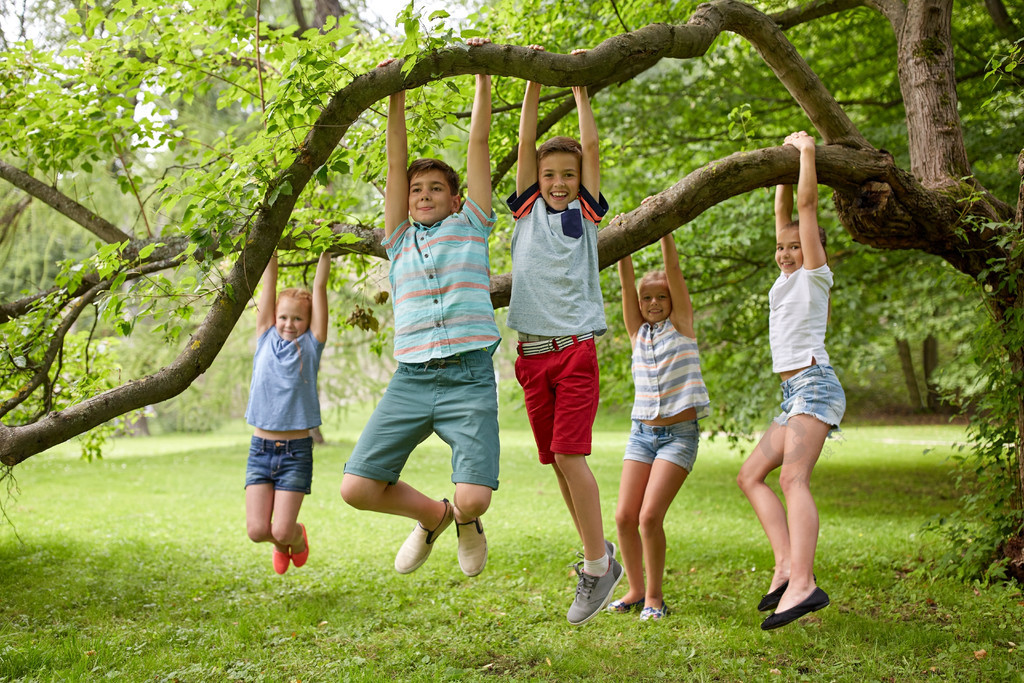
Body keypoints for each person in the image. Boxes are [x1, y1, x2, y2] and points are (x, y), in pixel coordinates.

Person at [340, 40, 500, 579]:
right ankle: (433, 516)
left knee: (475, 498)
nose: (425, 194)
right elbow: (394, 163)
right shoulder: (398, 240)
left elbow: (478, 140)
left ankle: (464, 518)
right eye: (416, 189)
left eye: (437, 188)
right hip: (410, 379)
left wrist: (483, 77)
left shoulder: (472, 225)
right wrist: (395, 95)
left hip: (469, 378)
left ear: (457, 199)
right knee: (356, 488)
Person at [506, 45, 621, 626]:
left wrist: (578, 89)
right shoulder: (527, 210)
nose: (556, 182)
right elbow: (528, 145)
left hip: (574, 350)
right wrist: (534, 82)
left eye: (567, 175)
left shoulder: (586, 213)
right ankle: (596, 554)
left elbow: (591, 148)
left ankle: (598, 567)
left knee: (572, 455)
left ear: (579, 182)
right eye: (550, 175)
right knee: (555, 460)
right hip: (530, 356)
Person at [736, 130, 846, 630]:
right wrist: (780, 169)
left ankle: (804, 583)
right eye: (781, 248)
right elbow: (784, 214)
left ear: (815, 248)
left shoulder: (814, 275)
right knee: (750, 476)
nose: (786, 251)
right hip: (792, 394)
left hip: (814, 384)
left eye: (796, 245)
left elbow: (803, 206)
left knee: (792, 478)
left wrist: (804, 154)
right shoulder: (784, 278)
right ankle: (785, 568)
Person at [608, 233, 710, 621]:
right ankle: (634, 590)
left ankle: (654, 597)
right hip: (641, 435)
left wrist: (664, 230)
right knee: (623, 517)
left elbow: (673, 271)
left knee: (650, 516)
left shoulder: (682, 325)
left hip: (678, 438)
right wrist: (625, 240)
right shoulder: (638, 333)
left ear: (673, 301)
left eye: (661, 296)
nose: (653, 303)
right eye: (646, 297)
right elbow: (625, 283)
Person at [245, 249, 332, 575]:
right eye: (284, 317)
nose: (289, 324)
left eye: (297, 319)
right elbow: (270, 280)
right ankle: (283, 542)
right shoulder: (265, 335)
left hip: (295, 452)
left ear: (308, 323)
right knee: (257, 532)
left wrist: (326, 252)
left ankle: (294, 537)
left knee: (282, 529)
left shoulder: (312, 344)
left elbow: (320, 289)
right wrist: (269, 247)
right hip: (260, 450)